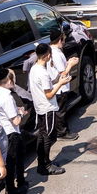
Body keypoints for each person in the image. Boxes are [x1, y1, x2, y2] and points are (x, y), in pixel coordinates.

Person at [28, 43, 73, 176]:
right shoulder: (42, 73)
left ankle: (42, 162)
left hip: (40, 108)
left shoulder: (35, 69)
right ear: (47, 55)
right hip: (47, 109)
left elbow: (46, 86)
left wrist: (58, 79)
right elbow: (49, 94)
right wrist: (61, 83)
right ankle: (45, 165)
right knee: (48, 137)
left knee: (42, 136)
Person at [0, 68, 27, 194]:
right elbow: (16, 121)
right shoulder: (7, 97)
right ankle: (12, 189)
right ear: (9, 81)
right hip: (11, 133)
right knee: (14, 160)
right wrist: (20, 112)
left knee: (10, 161)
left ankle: (12, 186)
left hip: (2, 132)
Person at [47, 30, 80, 141]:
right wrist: (71, 64)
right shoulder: (56, 53)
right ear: (60, 40)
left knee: (59, 110)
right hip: (60, 87)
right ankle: (62, 133)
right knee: (60, 111)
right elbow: (63, 73)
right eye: (63, 39)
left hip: (56, 86)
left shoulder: (51, 50)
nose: (64, 42)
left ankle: (60, 131)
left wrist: (68, 62)